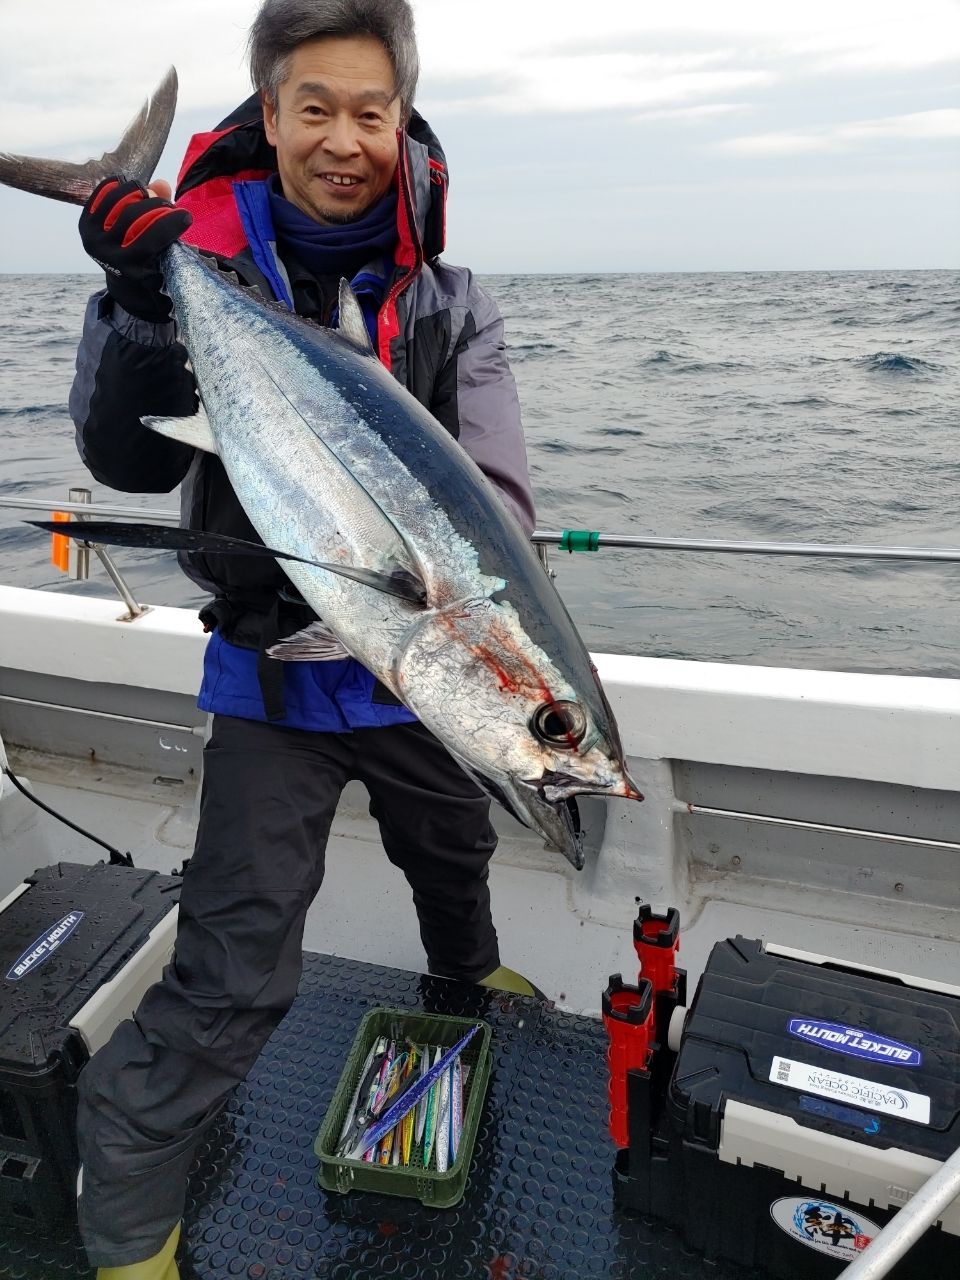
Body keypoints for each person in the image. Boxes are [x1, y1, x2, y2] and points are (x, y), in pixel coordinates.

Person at [69, 2, 537, 1275]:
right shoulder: (191, 273)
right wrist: (134, 295)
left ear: (405, 125)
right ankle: (123, 1231)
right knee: (232, 969)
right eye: (314, 107)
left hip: (419, 666)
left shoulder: (450, 305)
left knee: (454, 839)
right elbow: (114, 453)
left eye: (370, 112)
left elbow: (497, 500)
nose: (344, 138)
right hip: (271, 675)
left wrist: (480, 645)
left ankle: (470, 974)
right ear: (267, 117)